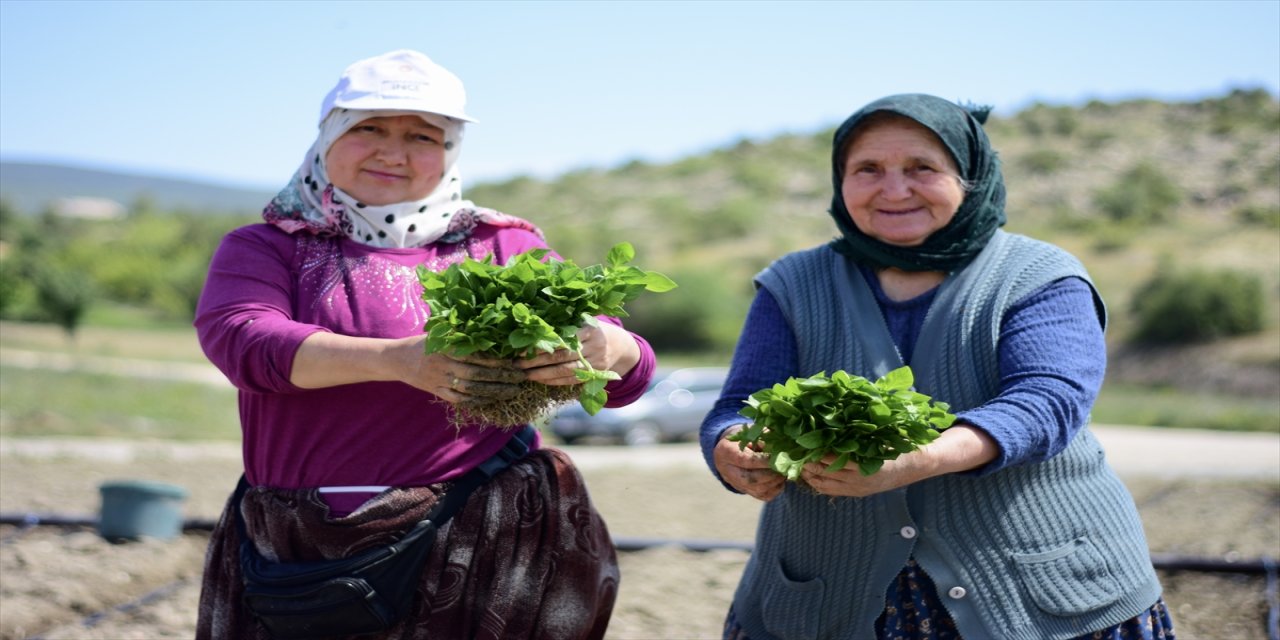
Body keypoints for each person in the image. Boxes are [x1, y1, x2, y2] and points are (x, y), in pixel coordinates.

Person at [193, 49, 655, 639]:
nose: (393, 151)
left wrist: (609, 349)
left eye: (422, 135)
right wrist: (398, 361)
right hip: (305, 545)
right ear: (328, 136)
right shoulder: (271, 244)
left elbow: (629, 373)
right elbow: (245, 341)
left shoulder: (501, 245)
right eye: (368, 129)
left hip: (481, 536)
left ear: (450, 151)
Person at [701, 94, 1175, 640]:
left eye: (922, 168)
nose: (894, 189)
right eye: (868, 170)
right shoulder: (794, 283)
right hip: (825, 601)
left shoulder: (1040, 275)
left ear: (969, 177)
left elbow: (1047, 402)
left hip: (1043, 601)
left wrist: (917, 460)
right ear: (840, 180)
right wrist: (731, 446)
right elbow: (739, 404)